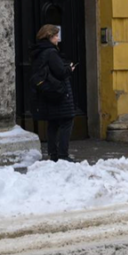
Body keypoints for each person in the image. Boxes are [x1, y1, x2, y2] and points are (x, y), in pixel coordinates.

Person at [29, 24, 78, 162]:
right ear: (49, 37)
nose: (58, 38)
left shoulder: (39, 51)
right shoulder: (51, 52)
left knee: (53, 123)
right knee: (67, 120)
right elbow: (60, 73)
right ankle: (62, 155)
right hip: (58, 92)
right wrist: (69, 69)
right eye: (56, 36)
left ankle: (53, 154)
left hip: (48, 91)